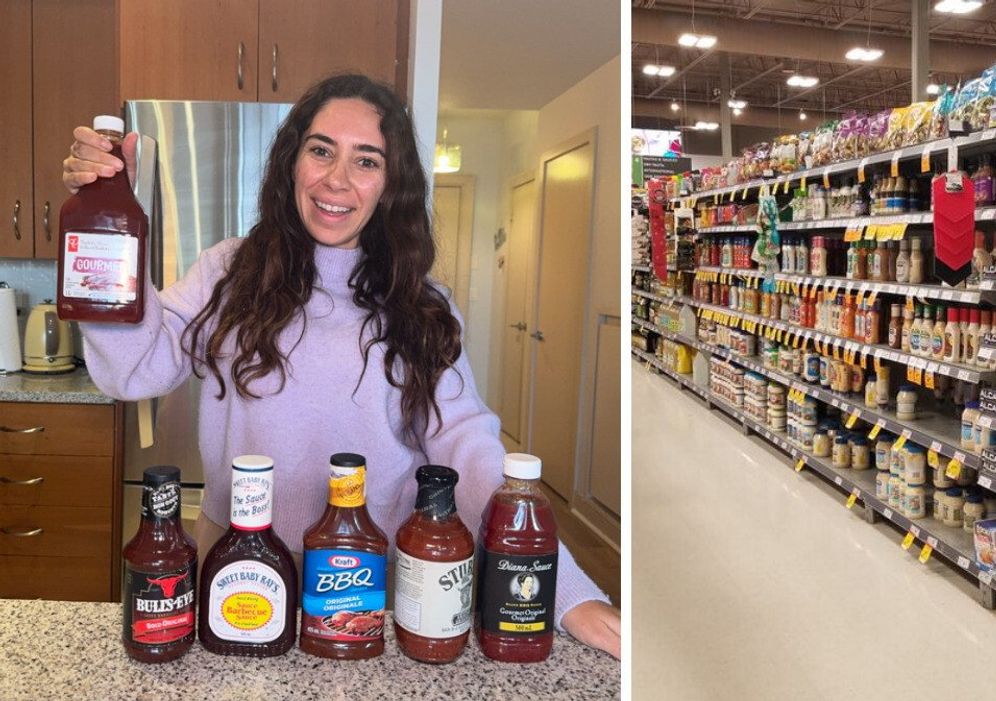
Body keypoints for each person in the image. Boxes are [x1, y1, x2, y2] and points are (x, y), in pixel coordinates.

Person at [62, 74, 620, 659]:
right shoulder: (228, 271)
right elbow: (135, 371)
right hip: (235, 571)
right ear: (292, 160)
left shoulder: (421, 303)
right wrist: (102, 236)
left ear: (390, 185)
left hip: (365, 584)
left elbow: (464, 443)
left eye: (367, 161)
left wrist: (569, 595)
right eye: (322, 150)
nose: (337, 180)